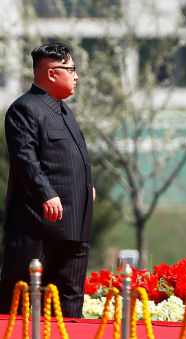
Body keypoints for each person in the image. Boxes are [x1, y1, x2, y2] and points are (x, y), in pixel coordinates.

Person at [0, 43, 95, 318]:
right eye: (71, 69)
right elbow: (25, 159)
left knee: (68, 299)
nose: (76, 76)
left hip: (75, 222)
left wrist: (87, 188)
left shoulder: (64, 111)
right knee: (20, 298)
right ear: (52, 74)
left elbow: (69, 159)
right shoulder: (24, 108)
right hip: (37, 225)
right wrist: (46, 194)